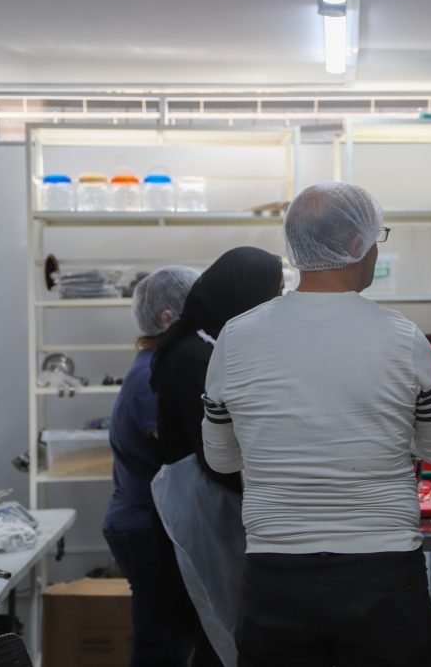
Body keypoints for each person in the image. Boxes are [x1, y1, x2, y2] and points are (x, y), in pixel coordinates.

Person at [201, 182, 431, 667]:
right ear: (354, 246)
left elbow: (220, 457)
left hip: (276, 576)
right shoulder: (402, 339)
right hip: (382, 576)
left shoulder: (235, 339)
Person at [149, 246, 284, 667]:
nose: (280, 302)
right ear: (247, 294)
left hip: (214, 497)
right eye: (275, 292)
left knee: (222, 623)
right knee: (219, 626)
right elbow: (213, 452)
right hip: (205, 503)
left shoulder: (206, 341)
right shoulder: (195, 355)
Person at [101, 265, 200, 667]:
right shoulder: (150, 379)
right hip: (144, 527)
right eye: (194, 310)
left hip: (149, 523)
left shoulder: (156, 369)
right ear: (167, 318)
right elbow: (185, 448)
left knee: (171, 640)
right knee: (160, 647)